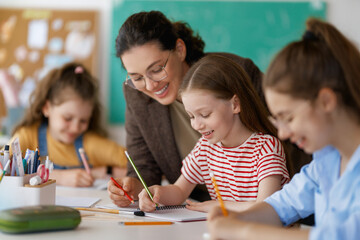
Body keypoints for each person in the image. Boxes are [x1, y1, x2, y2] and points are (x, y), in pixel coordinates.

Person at [108, 10, 309, 206]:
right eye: (136, 78)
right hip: (201, 212)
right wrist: (136, 187)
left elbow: (291, 134)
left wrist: (223, 206)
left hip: (287, 204)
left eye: (156, 69)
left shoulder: (234, 75)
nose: (150, 85)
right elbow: (146, 167)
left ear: (179, 49)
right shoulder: (138, 95)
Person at [207, 18, 360, 240]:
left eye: (288, 117)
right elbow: (283, 205)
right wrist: (238, 218)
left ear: (326, 101)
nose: (283, 134)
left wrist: (244, 231)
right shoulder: (327, 158)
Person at [138, 54, 289, 213]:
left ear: (235, 104)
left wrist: (218, 205)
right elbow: (179, 190)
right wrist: (156, 193)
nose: (196, 125)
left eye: (205, 114)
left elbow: (266, 208)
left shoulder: (266, 148)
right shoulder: (206, 148)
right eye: (191, 116)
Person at [9, 62, 127, 187]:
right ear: (46, 108)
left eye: (83, 121)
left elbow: (141, 166)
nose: (76, 128)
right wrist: (59, 177)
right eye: (68, 118)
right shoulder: (28, 136)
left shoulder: (90, 144)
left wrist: (102, 172)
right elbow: (3, 170)